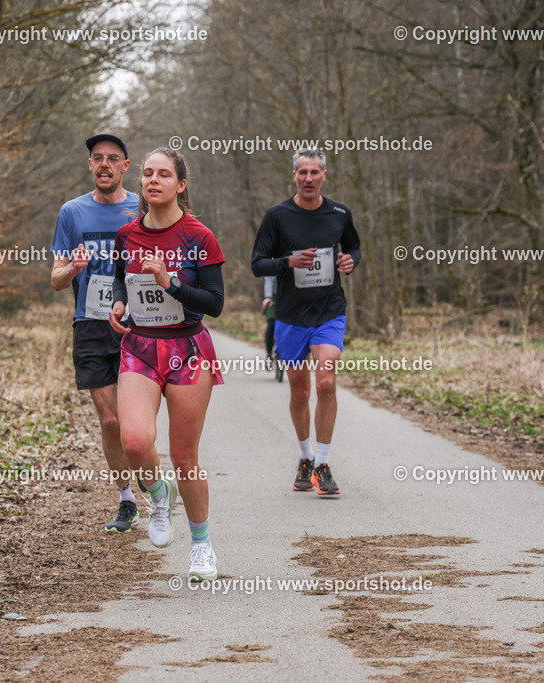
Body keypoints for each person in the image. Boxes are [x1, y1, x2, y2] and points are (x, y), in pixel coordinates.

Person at [108, 147, 225, 580]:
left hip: (188, 349)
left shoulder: (199, 236)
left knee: (183, 453)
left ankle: (201, 546)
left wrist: (171, 283)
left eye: (163, 174)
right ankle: (158, 496)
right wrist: (119, 302)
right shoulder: (127, 235)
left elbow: (214, 303)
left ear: (181, 184)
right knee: (135, 441)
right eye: (147, 174)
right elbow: (121, 276)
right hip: (140, 346)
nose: (152, 180)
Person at [250, 148, 361, 496]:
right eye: (303, 173)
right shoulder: (277, 216)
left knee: (325, 382)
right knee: (300, 391)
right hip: (291, 316)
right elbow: (258, 264)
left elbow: (355, 247)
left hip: (329, 311)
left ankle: (324, 463)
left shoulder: (339, 213)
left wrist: (349, 261)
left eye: (315, 172)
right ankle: (305, 456)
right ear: (295, 175)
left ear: (324, 175)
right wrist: (288, 261)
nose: (309, 178)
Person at [51, 133, 140, 532]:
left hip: (137, 325)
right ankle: (126, 500)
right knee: (110, 424)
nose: (104, 164)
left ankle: (155, 488)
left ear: (125, 166)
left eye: (113, 158)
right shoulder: (71, 212)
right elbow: (55, 278)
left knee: (136, 425)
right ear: (90, 165)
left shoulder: (141, 207)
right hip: (90, 324)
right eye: (97, 158)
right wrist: (73, 268)